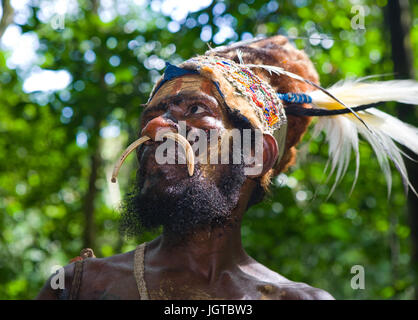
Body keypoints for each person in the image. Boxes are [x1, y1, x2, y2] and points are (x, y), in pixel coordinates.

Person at [36, 35, 418, 300]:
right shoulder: (78, 286)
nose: (154, 129)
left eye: (195, 110)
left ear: (254, 155)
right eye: (152, 116)